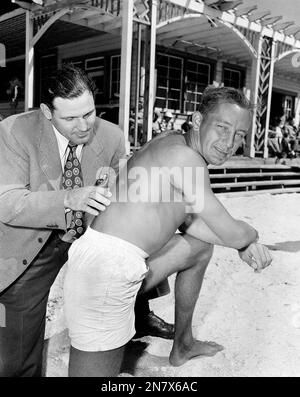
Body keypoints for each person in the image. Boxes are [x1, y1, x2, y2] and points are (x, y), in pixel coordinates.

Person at [63, 87, 272, 377]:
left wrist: (239, 243)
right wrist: (251, 238)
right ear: (198, 120)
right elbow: (234, 232)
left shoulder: (170, 142)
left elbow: (192, 225)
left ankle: (182, 344)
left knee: (199, 247)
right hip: (106, 271)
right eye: (222, 128)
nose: (229, 142)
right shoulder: (187, 160)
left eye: (239, 134)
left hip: (109, 260)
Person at [0, 64, 172, 377]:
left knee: (139, 242)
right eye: (70, 118)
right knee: (13, 356)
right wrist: (69, 198)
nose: (83, 126)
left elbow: (130, 193)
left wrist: (116, 182)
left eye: (89, 113)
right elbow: (7, 203)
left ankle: (140, 309)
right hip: (33, 240)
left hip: (89, 234)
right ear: (46, 112)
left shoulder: (112, 136)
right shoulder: (14, 131)